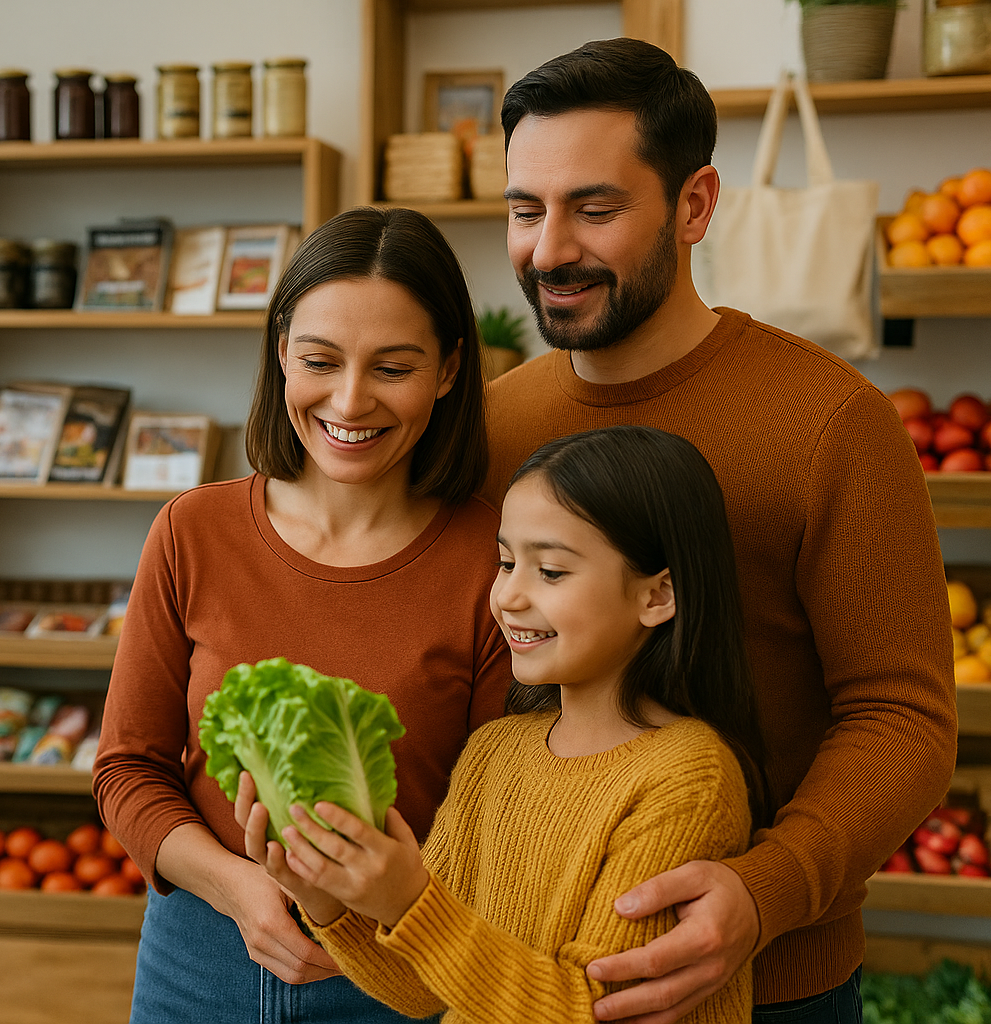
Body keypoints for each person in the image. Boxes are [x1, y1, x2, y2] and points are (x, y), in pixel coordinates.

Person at [483, 39, 957, 1024]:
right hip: (518, 978)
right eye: (526, 210)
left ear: (695, 204)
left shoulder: (832, 422)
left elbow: (903, 714)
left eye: (595, 209)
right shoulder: (495, 424)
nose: (549, 248)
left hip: (772, 983)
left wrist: (764, 890)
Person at [93, 206, 512, 1022]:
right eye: (320, 360)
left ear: (451, 368)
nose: (350, 402)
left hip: (398, 976)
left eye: (394, 368)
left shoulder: (492, 559)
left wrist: (377, 907)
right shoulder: (193, 530)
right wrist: (240, 886)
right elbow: (127, 771)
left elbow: (494, 818)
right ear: (282, 350)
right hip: (200, 957)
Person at [237, 424, 768, 1023]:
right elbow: (426, 990)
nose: (507, 596)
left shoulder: (688, 776)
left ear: (658, 596)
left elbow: (598, 1010)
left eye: (552, 572)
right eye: (507, 561)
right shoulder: (494, 752)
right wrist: (328, 900)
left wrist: (411, 901)